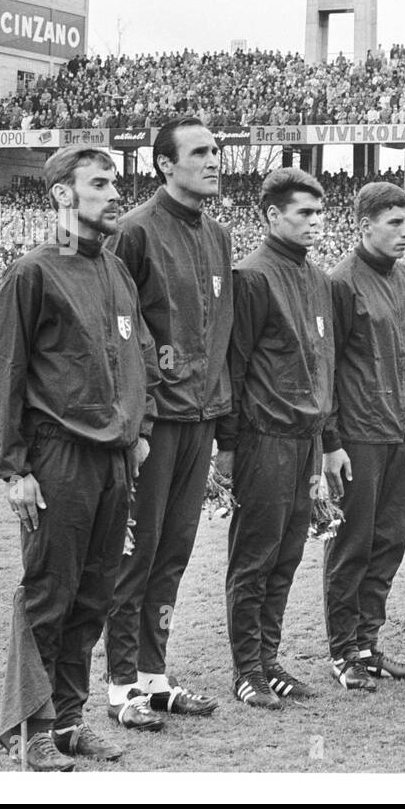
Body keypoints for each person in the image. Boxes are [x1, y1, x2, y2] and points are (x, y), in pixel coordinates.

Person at [0, 146, 157, 770]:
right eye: (100, 183)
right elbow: (4, 372)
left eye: (115, 183)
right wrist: (15, 469)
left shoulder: (116, 271)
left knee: (93, 595)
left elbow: (138, 357)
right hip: (58, 459)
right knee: (48, 594)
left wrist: (139, 428)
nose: (115, 194)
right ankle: (30, 729)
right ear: (62, 194)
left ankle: (69, 721)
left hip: (114, 461)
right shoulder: (32, 272)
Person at [103, 117, 231, 729]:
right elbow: (117, 331)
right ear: (163, 164)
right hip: (155, 423)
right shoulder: (133, 232)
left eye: (216, 150)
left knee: (174, 551)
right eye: (199, 152)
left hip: (202, 418)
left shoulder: (219, 235)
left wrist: (224, 424)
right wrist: (137, 420)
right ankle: (120, 684)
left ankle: (154, 678)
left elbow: (222, 335)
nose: (214, 160)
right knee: (139, 551)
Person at [217, 168, 333, 709]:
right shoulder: (251, 277)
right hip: (264, 439)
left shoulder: (318, 278)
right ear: (271, 215)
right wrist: (229, 447)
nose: (316, 222)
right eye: (304, 213)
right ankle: (247, 670)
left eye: (319, 212)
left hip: (306, 441)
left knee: (287, 555)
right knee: (255, 557)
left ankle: (269, 659)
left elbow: (324, 365)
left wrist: (324, 440)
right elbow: (235, 366)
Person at [321, 182, 405, 691]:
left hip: (400, 433)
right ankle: (343, 652)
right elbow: (326, 366)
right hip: (359, 436)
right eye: (395, 223)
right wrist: (332, 441)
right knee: (353, 544)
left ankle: (367, 644)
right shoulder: (342, 283)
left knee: (389, 540)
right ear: (365, 226)